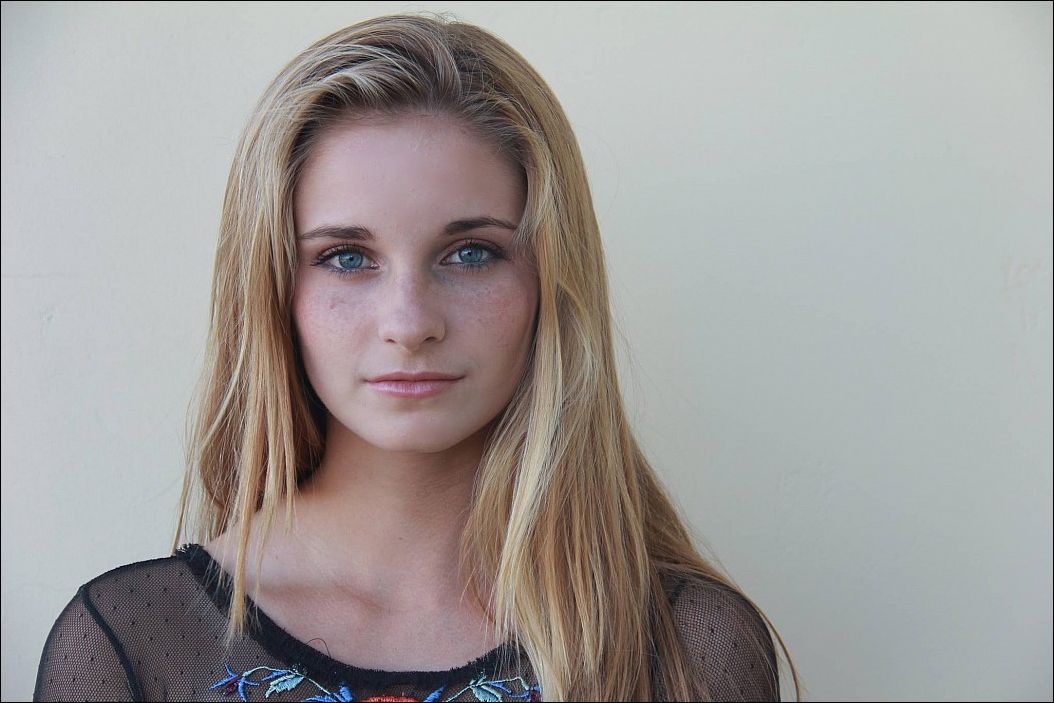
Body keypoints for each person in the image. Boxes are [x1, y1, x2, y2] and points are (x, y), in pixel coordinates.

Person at [33, 12, 803, 702]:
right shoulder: (135, 645)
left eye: (471, 252)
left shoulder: (688, 648)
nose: (409, 322)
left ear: (550, 280)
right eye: (345, 257)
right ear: (272, 289)